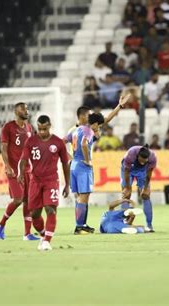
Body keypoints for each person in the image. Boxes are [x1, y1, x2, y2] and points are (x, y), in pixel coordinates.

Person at [66, 95, 131, 235]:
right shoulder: (88, 130)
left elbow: (105, 120)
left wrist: (119, 106)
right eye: (89, 115)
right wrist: (87, 160)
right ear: (83, 117)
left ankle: (82, 225)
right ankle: (79, 226)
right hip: (83, 166)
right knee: (84, 196)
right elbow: (84, 144)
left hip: (74, 165)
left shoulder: (75, 130)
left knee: (80, 197)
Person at [17, 115, 69, 251]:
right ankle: (43, 235)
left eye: (44, 129)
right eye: (39, 129)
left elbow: (65, 163)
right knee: (34, 214)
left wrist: (67, 184)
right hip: (35, 181)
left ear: (49, 126)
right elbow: (23, 160)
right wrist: (20, 173)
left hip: (51, 180)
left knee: (50, 209)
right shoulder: (31, 141)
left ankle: (47, 241)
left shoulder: (58, 142)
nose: (42, 132)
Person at [0, 103, 39, 241]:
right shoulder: (8, 127)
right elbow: (3, 148)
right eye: (23, 108)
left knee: (28, 201)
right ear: (16, 111)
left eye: (27, 108)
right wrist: (7, 166)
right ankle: (1, 224)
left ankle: (27, 233)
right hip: (14, 170)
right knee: (18, 199)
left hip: (27, 170)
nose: (26, 110)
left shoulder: (29, 128)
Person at [121, 144, 157, 232]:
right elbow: (126, 171)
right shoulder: (130, 154)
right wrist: (127, 187)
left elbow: (148, 174)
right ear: (137, 156)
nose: (142, 163)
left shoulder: (153, 158)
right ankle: (125, 222)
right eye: (141, 160)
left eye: (145, 161)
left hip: (142, 172)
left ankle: (149, 225)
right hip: (128, 171)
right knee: (126, 196)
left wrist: (145, 188)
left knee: (146, 196)